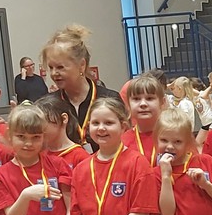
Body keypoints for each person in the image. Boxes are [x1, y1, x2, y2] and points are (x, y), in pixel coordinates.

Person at [42, 24, 116, 152]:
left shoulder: (109, 99)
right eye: (51, 67)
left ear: (81, 65)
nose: (54, 73)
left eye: (60, 67)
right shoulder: (48, 106)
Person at [121, 72, 166, 168]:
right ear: (128, 104)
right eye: (136, 99)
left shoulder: (177, 136)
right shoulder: (122, 142)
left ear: (162, 102)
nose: (143, 104)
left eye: (150, 98)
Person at [35, 96, 90, 170]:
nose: (37, 129)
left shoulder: (80, 156)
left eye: (42, 122)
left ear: (64, 118)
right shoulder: (37, 153)